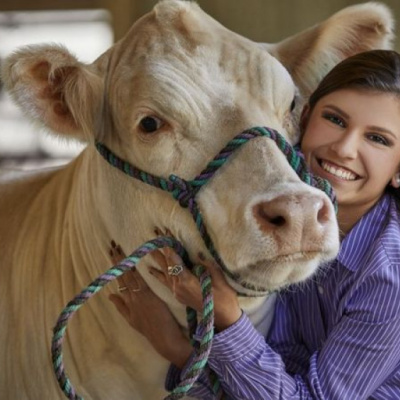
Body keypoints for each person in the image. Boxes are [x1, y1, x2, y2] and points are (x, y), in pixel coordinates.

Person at [108, 49, 400, 399]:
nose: (344, 148)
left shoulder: (389, 280)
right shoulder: (274, 192)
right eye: (335, 119)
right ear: (302, 119)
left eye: (378, 139)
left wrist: (184, 340)